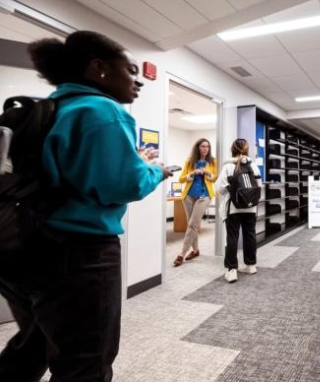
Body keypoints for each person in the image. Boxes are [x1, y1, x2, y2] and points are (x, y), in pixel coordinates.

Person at [0, 31, 172, 381]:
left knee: (33, 345)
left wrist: (132, 162)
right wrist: (155, 170)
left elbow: (66, 174)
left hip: (19, 246)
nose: (137, 81)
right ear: (100, 68)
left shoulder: (49, 108)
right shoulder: (103, 110)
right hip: (79, 258)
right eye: (130, 69)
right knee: (85, 363)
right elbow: (124, 185)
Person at [216, 139, 261, 283]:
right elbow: (259, 185)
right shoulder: (253, 166)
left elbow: (220, 188)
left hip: (233, 208)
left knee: (232, 237)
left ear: (232, 149)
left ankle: (232, 270)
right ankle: (251, 266)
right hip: (251, 207)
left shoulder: (228, 166)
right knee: (250, 235)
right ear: (247, 150)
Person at [173, 138, 218, 267]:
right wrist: (192, 173)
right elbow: (181, 179)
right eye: (203, 146)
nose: (205, 149)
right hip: (188, 195)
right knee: (191, 224)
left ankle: (182, 253)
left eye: (207, 146)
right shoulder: (189, 161)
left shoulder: (213, 161)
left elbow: (215, 179)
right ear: (197, 147)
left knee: (193, 223)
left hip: (205, 196)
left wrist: (208, 172)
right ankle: (196, 250)